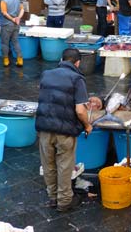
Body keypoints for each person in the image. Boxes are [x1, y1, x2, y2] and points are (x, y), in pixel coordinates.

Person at [34, 48, 93, 213]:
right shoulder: (77, 78)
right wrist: (88, 125)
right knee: (64, 166)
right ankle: (64, 201)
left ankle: (53, 197)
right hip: (65, 131)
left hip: (44, 127)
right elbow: (80, 110)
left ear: (61, 59)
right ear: (77, 62)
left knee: (48, 165)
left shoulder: (46, 74)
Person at [0, 0, 25, 67]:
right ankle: (20, 59)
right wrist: (18, 18)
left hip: (6, 25)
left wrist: (12, 19)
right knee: (15, 42)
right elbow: (22, 9)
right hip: (16, 25)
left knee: (4, 43)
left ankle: (6, 60)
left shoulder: (3, 0)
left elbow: (4, 12)